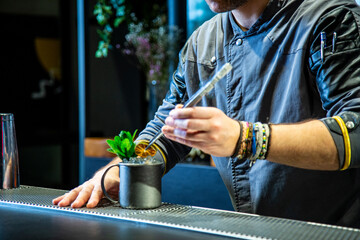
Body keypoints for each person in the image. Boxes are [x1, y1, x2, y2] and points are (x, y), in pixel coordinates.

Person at [53, 0, 360, 227]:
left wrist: (245, 139)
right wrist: (119, 171)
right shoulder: (203, 42)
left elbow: (356, 132)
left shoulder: (331, 20)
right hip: (256, 230)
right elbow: (165, 132)